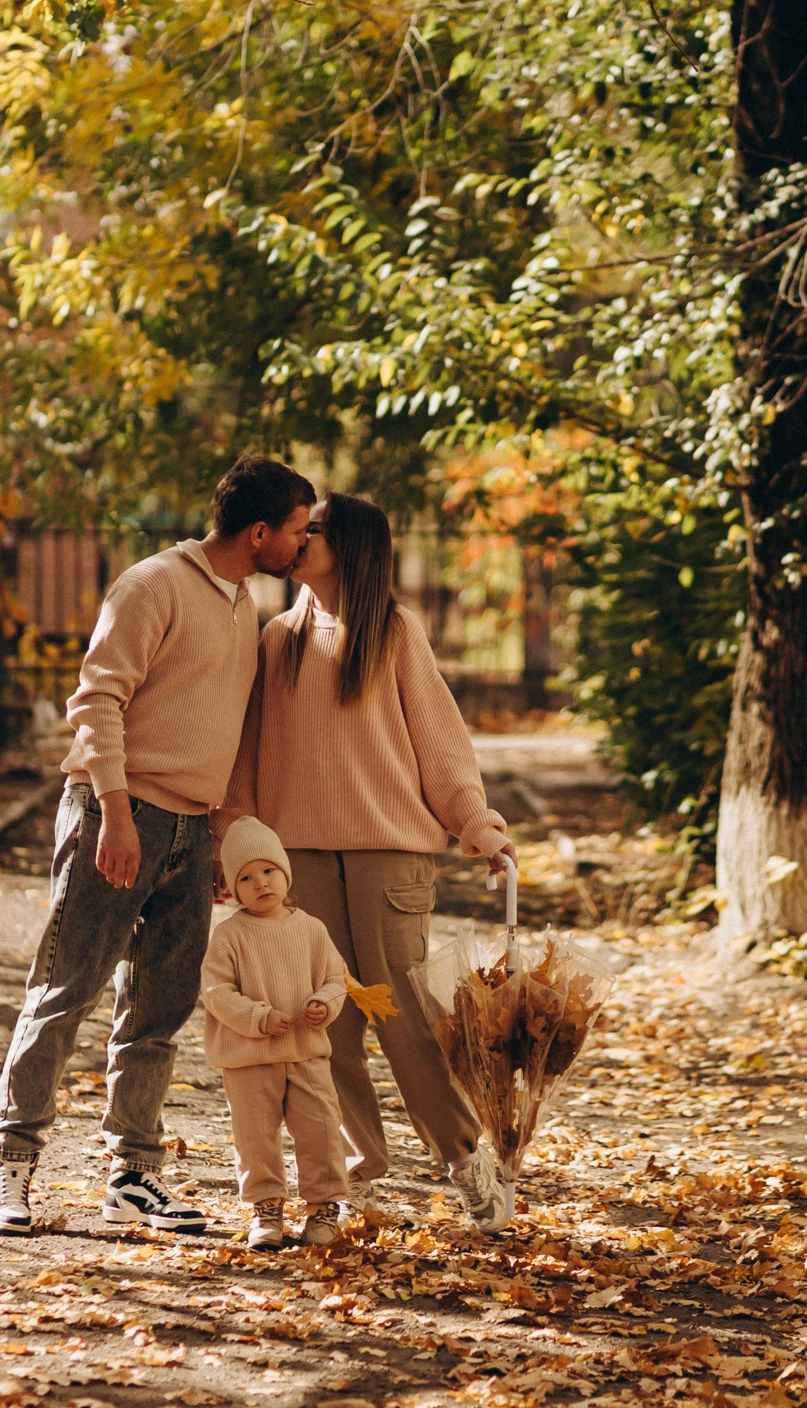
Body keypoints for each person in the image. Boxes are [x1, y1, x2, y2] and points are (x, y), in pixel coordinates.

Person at [0, 456, 317, 1238]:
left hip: (190, 833)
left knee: (157, 1013)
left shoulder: (246, 606)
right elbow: (96, 699)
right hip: (118, 816)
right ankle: (11, 1165)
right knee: (65, 993)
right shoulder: (152, 585)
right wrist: (116, 813)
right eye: (298, 531)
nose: (302, 546)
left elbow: (224, 735)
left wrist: (220, 838)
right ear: (259, 531)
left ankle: (133, 1179)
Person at [219, 491, 517, 1233]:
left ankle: (465, 1159)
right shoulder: (276, 638)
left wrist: (477, 825)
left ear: (347, 546)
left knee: (406, 1018)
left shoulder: (392, 632)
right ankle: (355, 1164)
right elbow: (249, 757)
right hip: (298, 862)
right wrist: (238, 847)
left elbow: (440, 745)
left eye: (312, 530)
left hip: (390, 858)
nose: (297, 541)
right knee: (322, 1022)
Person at [198, 817, 351, 1250]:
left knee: (321, 1130)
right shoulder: (228, 935)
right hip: (249, 1058)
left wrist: (324, 1004)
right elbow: (215, 991)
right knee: (256, 1137)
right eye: (245, 877)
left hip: (306, 1052)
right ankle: (267, 1210)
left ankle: (323, 1210)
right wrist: (258, 1017)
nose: (260, 883)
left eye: (268, 872)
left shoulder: (311, 929)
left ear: (285, 874)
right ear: (230, 887)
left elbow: (334, 979)